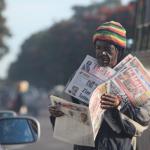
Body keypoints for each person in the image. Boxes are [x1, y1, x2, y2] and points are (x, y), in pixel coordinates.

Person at [49, 21, 150, 150]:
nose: (102, 53)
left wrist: (119, 105)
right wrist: (57, 114)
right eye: (98, 48)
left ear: (119, 50)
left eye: (108, 49)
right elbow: (69, 111)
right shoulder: (80, 75)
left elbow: (144, 120)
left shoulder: (134, 78)